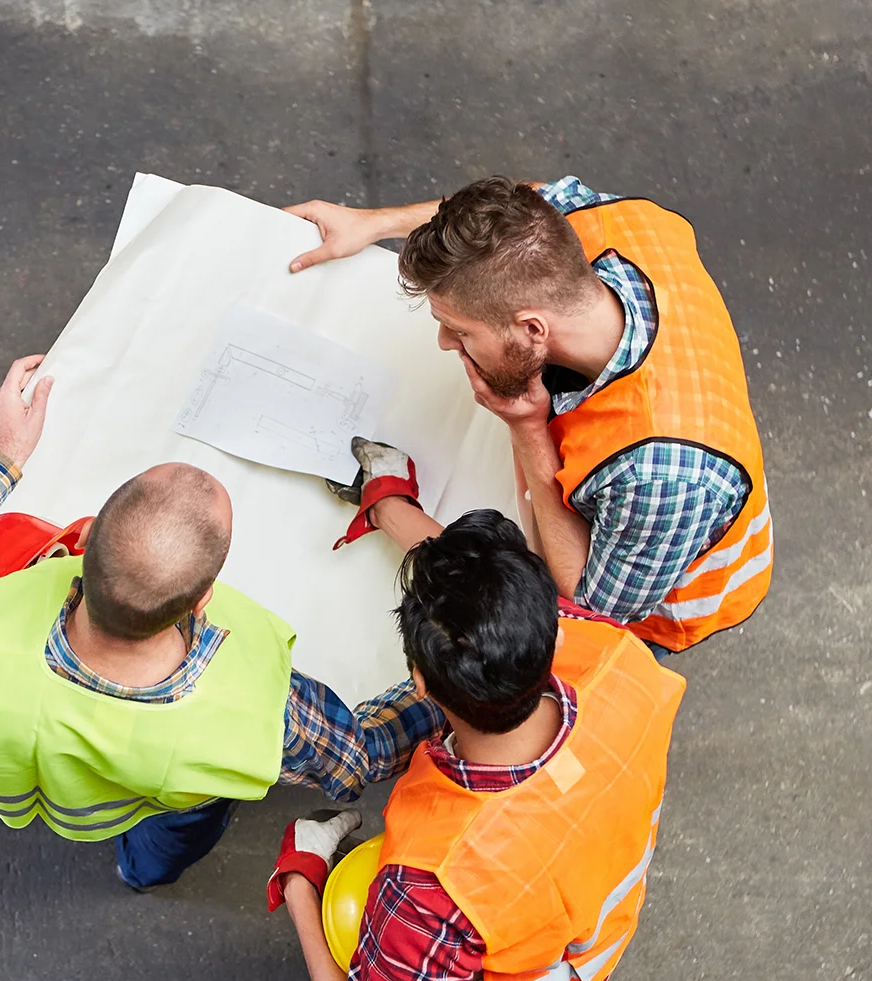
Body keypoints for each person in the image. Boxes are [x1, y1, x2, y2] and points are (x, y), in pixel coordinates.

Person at [0, 354, 444, 890]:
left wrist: (4, 458)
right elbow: (361, 754)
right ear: (203, 600)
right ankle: (139, 871)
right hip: (167, 801)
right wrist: (453, 676)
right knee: (167, 842)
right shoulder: (262, 714)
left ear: (82, 540)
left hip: (33, 785)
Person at [252, 509, 684, 981]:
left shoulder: (435, 887)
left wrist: (302, 877)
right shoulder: (615, 655)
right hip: (591, 915)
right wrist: (394, 511)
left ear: (420, 685)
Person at [288, 176, 771, 653]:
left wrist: (527, 427)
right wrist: (374, 224)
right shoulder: (621, 224)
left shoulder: (661, 475)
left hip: (660, 603)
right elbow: (521, 208)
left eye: (459, 331)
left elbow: (586, 607)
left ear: (533, 329)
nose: (444, 344)